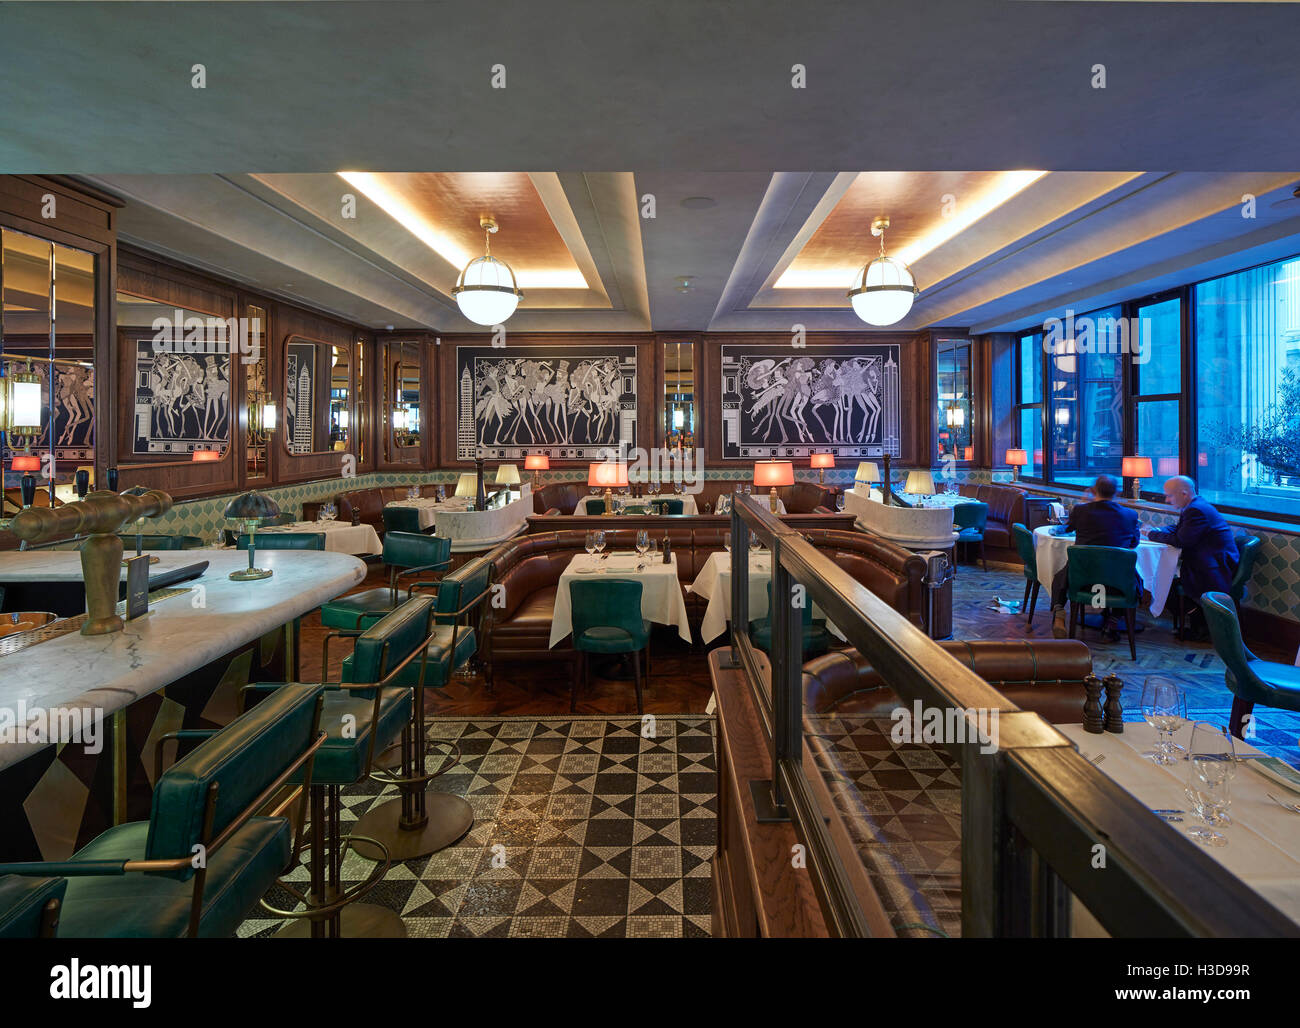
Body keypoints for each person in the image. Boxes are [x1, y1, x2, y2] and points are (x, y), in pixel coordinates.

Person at [1146, 476, 1238, 638]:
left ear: (1184, 494)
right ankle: (1199, 621)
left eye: (1169, 495)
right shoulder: (1196, 506)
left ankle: (1201, 622)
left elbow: (1181, 540)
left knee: (1163, 585)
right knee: (1164, 581)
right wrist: (1160, 531)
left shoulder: (1195, 510)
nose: (1167, 500)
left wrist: (1150, 534)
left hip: (1212, 568)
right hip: (1212, 562)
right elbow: (1180, 529)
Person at [1051, 474, 1140, 638]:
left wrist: (1084, 500)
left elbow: (1067, 529)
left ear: (1093, 490)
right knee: (1132, 577)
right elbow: (1134, 543)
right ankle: (1113, 620)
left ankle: (1059, 613)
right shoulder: (1130, 515)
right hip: (1117, 582)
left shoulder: (1080, 510)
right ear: (1117, 492)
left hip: (1082, 579)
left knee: (1062, 574)